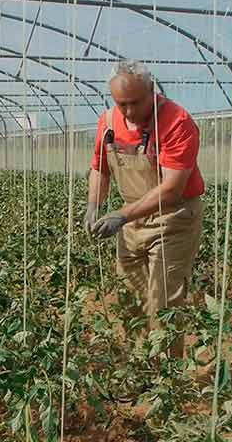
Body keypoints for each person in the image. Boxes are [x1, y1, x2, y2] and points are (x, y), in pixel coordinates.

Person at [83, 60, 204, 357]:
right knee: (130, 293)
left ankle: (168, 377)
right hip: (132, 219)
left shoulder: (177, 122)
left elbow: (172, 188)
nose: (128, 112)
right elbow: (100, 168)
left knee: (163, 302)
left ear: (152, 91)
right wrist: (93, 204)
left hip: (173, 219)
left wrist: (122, 216)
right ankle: (140, 361)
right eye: (120, 104)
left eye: (134, 103)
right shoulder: (109, 122)